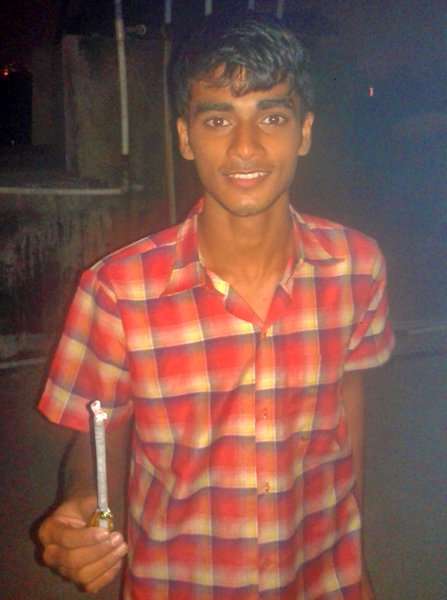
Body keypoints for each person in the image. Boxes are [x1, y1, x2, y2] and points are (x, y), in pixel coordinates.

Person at [37, 16, 394, 600]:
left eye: (271, 117)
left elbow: (347, 397)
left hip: (319, 576)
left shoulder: (358, 266)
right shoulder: (117, 290)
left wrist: (352, 559)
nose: (245, 147)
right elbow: (97, 430)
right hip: (182, 582)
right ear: (185, 137)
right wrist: (83, 500)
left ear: (304, 132)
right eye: (218, 119)